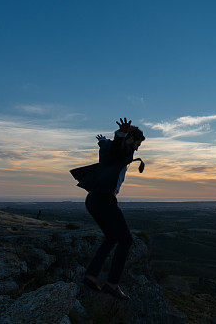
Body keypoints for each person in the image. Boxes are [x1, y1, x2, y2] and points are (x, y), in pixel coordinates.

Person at [69, 117, 146, 300]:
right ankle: (112, 284)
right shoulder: (124, 150)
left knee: (112, 238)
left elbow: (108, 148)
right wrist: (121, 135)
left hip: (94, 199)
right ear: (130, 140)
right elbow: (118, 148)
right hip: (104, 200)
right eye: (137, 143)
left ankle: (90, 275)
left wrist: (104, 140)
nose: (137, 148)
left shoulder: (110, 150)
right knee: (126, 241)